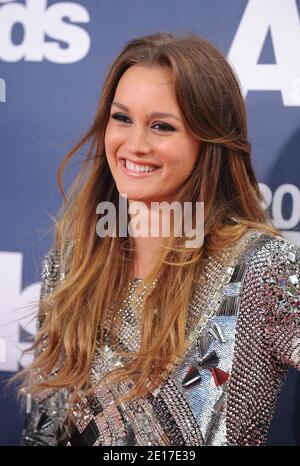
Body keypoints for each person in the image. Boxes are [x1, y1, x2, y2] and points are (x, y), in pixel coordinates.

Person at [18, 32, 299, 446]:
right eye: (121, 118)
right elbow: (44, 428)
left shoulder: (262, 267)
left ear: (210, 139)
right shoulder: (75, 257)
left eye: (162, 126)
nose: (134, 145)